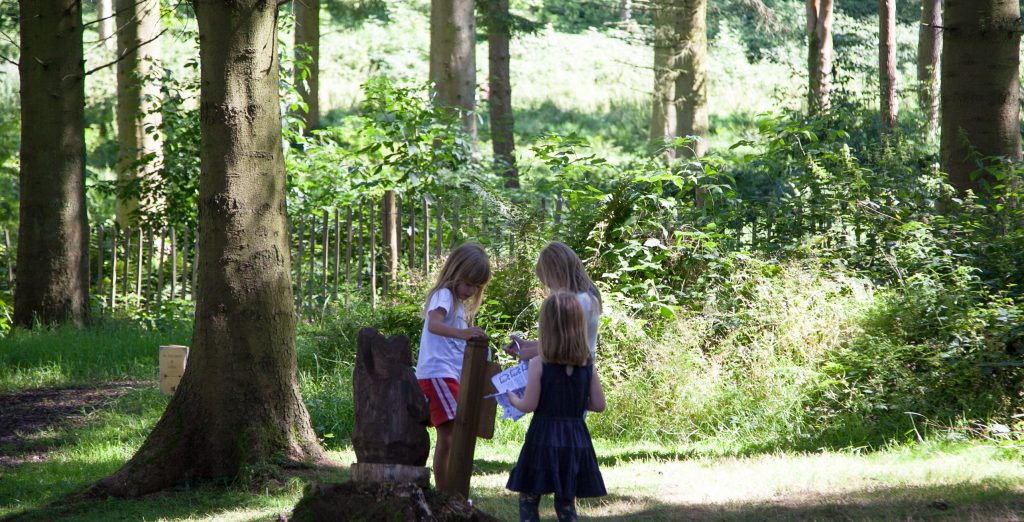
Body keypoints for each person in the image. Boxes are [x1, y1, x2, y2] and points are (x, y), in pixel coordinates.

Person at [506, 291, 607, 522]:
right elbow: (599, 405)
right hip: (575, 438)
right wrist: (576, 402)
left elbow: (529, 405)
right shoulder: (587, 365)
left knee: (529, 497)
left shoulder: (538, 363)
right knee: (565, 499)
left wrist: (512, 399)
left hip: (543, 437)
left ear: (546, 328)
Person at [415, 242, 491, 490]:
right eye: (468, 283)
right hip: (438, 374)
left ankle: (450, 492)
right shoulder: (444, 295)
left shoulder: (456, 302)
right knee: (450, 436)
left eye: (476, 286)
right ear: (455, 273)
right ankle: (446, 493)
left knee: (453, 435)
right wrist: (463, 333)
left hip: (448, 376)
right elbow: (434, 325)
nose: (471, 291)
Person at [505, 241, 602, 362]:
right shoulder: (584, 297)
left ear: (558, 273)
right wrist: (525, 345)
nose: (551, 291)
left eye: (550, 285)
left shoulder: (579, 302)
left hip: (574, 370)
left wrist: (524, 353)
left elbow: (563, 348)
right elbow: (559, 341)